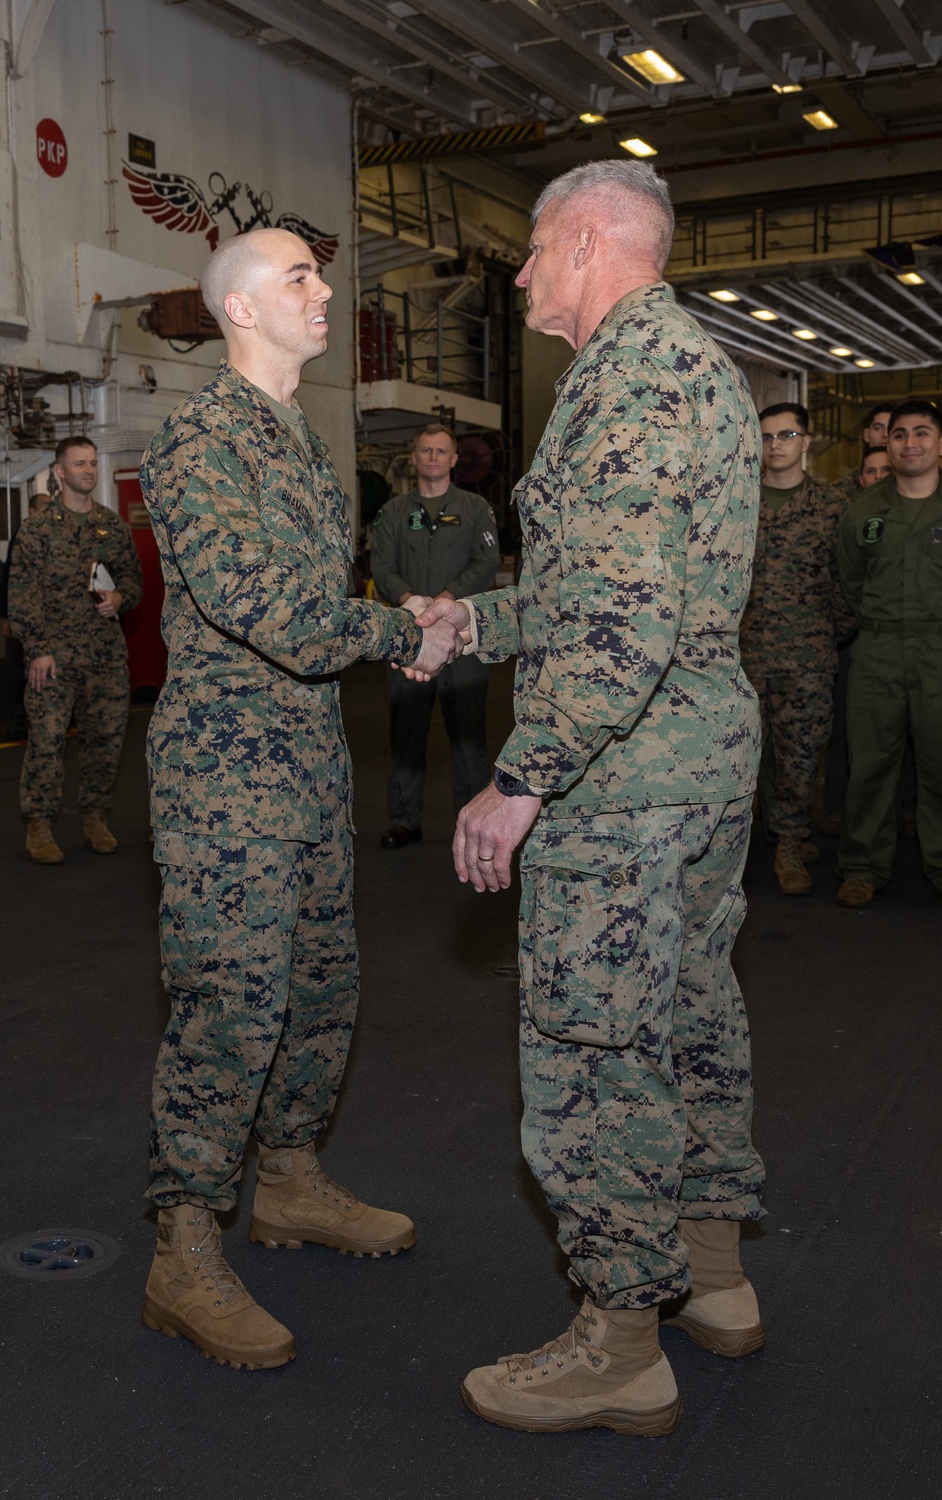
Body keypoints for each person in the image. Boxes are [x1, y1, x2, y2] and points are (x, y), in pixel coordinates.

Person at [414, 159, 765, 1436]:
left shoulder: (625, 378)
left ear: (588, 240)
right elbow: (613, 590)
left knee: (595, 1048)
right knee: (689, 1015)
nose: (517, 275)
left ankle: (622, 1341)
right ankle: (715, 1281)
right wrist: (476, 619)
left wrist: (519, 779)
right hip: (698, 756)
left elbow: (615, 620)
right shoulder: (694, 366)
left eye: (531, 251)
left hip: (621, 781)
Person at [139, 226, 461, 1371]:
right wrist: (401, 630)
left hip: (310, 760)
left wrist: (393, 626)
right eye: (300, 278)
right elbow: (258, 601)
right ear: (238, 308)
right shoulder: (199, 439)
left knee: (323, 983)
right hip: (227, 769)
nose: (324, 293)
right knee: (231, 999)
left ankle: (286, 1180)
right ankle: (183, 1244)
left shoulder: (304, 445)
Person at [8, 442, 142, 864]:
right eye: (79, 464)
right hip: (54, 658)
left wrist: (121, 597)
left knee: (105, 740)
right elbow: (22, 594)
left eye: (92, 463)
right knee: (47, 743)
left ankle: (96, 819)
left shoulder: (112, 526)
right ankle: (40, 827)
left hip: (104, 655)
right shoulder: (38, 529)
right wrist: (38, 649)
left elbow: (133, 580)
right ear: (61, 473)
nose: (88, 470)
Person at [739, 403, 851, 894]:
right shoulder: (737, 504)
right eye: (766, 436)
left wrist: (823, 635)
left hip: (808, 659)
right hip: (742, 657)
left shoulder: (833, 508)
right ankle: (740, 846)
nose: (776, 444)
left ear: (806, 442)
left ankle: (789, 843)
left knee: (802, 755)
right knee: (742, 755)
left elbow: (848, 586)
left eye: (787, 434)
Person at [370, 423, 499, 849]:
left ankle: (473, 823)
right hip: (410, 640)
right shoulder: (391, 513)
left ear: (455, 459)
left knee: (468, 736)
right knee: (406, 734)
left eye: (441, 451)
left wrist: (447, 598)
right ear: (414, 456)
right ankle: (404, 820)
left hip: (463, 639)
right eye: (426, 450)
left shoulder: (476, 508)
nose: (433, 458)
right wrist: (412, 601)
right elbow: (381, 567)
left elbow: (486, 562)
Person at [836, 400, 942, 907]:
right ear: (887, 444)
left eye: (923, 433)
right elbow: (851, 580)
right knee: (871, 764)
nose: (910, 443)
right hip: (877, 651)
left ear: (940, 445)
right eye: (900, 435)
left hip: (939, 650)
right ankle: (862, 866)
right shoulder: (865, 511)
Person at [821, 446, 892, 836]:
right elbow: (846, 575)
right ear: (859, 476)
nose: (878, 477)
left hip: (916, 644)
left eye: (886, 470)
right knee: (853, 739)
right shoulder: (851, 516)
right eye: (871, 470)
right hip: (857, 638)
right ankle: (848, 827)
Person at [0, 491, 51, 739]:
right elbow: (8, 579)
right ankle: (20, 720)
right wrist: (7, 617)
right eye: (42, 506)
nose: (47, 510)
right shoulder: (23, 536)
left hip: (50, 620)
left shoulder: (54, 535)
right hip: (26, 617)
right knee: (25, 668)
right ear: (31, 510)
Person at [838, 404, 893, 500]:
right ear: (867, 435)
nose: (885, 434)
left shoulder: (916, 481)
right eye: (878, 428)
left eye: (891, 428)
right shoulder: (841, 490)